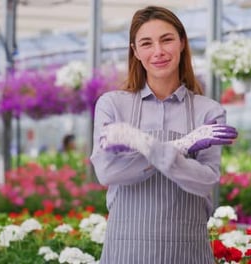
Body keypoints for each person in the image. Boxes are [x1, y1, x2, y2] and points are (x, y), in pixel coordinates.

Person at [90, 5, 238, 264]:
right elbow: (108, 173)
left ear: (182, 43)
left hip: (187, 251)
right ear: (135, 52)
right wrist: (182, 146)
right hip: (126, 252)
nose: (158, 51)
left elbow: (205, 182)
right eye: (146, 43)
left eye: (166, 39)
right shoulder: (112, 105)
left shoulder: (208, 111)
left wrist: (143, 144)